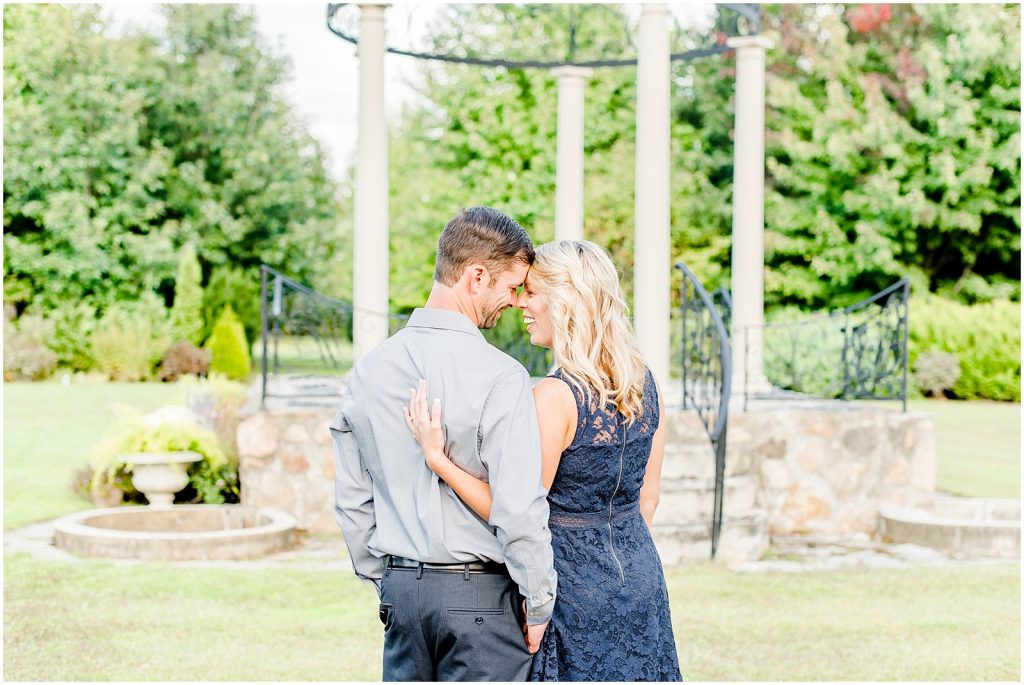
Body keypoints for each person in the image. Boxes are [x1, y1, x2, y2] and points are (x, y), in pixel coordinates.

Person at [404, 239, 682, 681]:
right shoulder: (645, 384)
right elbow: (648, 501)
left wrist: (439, 460)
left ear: (564, 301)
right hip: (640, 582)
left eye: (531, 292)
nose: (520, 304)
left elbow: (511, 506)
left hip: (572, 593)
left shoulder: (554, 398)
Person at [331, 206, 558, 682]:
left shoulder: (367, 372)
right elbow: (519, 508)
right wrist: (538, 602)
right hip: (482, 605)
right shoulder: (501, 376)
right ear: (476, 276)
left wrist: (385, 580)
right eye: (511, 286)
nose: (514, 302)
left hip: (403, 596)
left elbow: (353, 500)